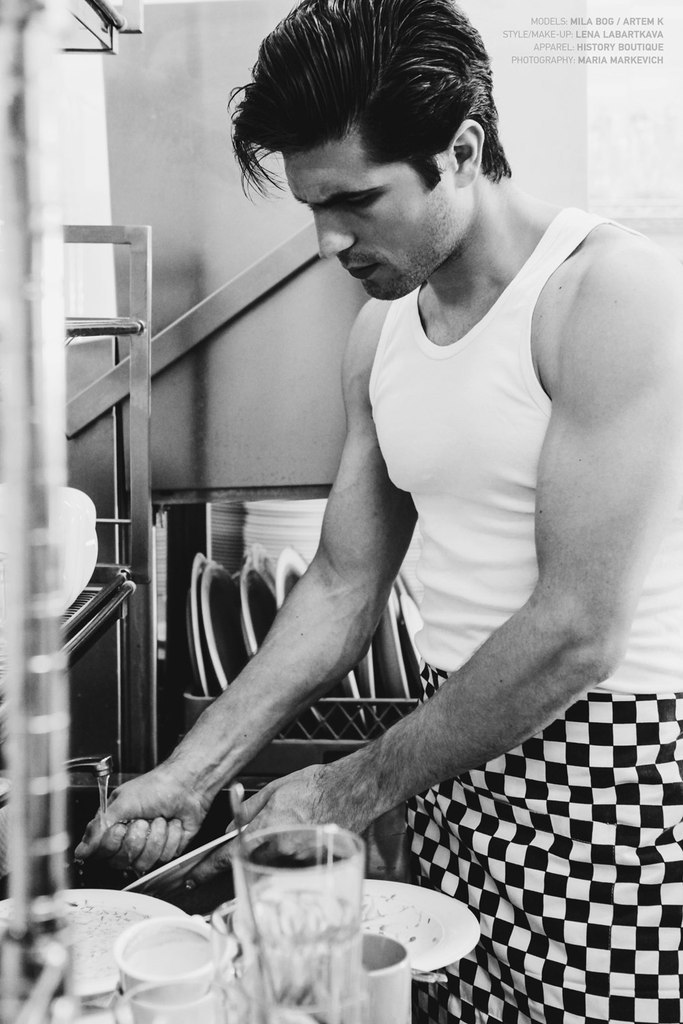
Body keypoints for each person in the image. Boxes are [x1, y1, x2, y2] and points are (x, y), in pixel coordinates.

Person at [77, 1, 683, 1021]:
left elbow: (578, 628)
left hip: (611, 771)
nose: (326, 240)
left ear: (462, 150)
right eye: (313, 206)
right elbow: (343, 582)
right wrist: (191, 772)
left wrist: (348, 787)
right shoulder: (382, 331)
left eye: (355, 200)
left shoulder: (608, 295)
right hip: (455, 747)